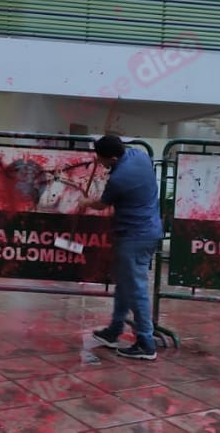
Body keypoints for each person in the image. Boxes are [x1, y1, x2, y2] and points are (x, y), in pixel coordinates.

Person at [77, 135, 163, 360]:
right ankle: (115, 329)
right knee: (125, 285)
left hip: (134, 237)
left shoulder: (119, 179)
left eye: (102, 159)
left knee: (136, 290)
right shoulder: (140, 156)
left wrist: (85, 202)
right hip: (148, 232)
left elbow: (101, 204)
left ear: (113, 157)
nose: (100, 162)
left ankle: (146, 342)